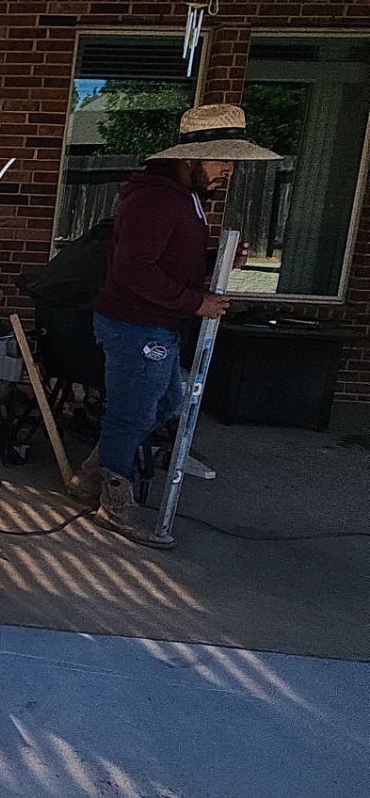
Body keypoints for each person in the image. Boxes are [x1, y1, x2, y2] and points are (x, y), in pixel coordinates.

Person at [87, 101, 279, 547]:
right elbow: (133, 269)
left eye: (232, 161)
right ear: (190, 156)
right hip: (136, 325)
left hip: (157, 325)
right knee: (133, 413)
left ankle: (95, 471)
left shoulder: (186, 195)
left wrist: (214, 261)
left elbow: (169, 258)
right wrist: (196, 302)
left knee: (166, 403)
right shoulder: (156, 197)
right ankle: (114, 501)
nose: (228, 170)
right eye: (221, 159)